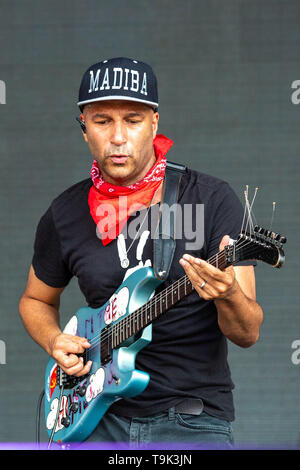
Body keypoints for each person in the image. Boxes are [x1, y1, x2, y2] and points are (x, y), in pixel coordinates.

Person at [19, 57, 263, 449]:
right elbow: (35, 300)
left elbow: (247, 332)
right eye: (102, 121)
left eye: (132, 120)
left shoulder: (211, 200)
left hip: (191, 420)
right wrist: (53, 340)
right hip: (95, 417)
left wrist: (229, 295)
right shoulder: (64, 213)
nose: (118, 137)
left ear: (154, 123)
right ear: (84, 128)